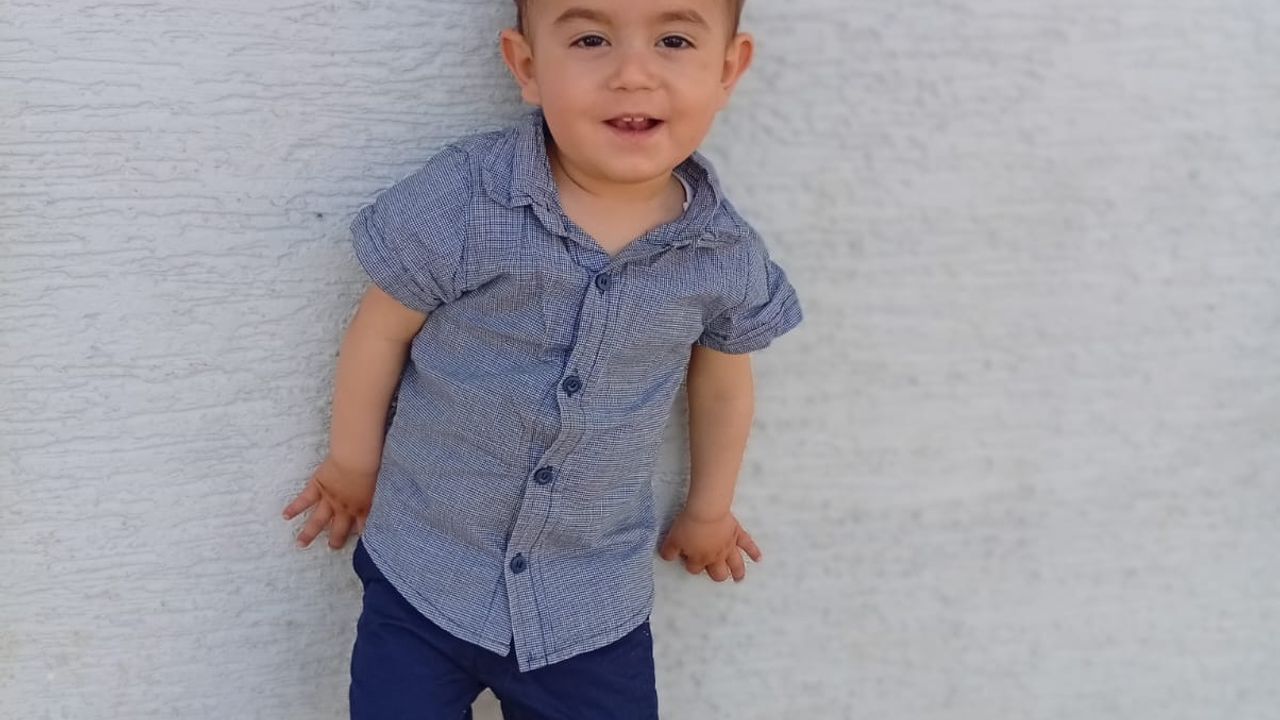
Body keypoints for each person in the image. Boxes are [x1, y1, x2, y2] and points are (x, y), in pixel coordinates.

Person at [281, 0, 803, 716]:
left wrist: (708, 510)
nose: (632, 73)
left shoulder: (722, 255)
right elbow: (381, 330)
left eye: (674, 40)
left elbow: (722, 387)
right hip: (426, 573)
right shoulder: (469, 197)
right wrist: (352, 463)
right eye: (590, 39)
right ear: (527, 66)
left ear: (728, 69)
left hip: (588, 604)